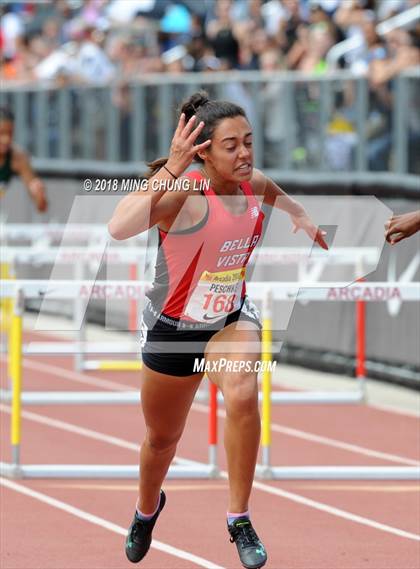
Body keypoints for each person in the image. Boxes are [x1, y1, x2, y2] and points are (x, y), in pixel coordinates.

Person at [108, 91, 327, 569]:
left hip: (229, 322)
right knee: (161, 440)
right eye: (232, 146)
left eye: (249, 142)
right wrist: (172, 168)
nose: (245, 154)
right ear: (204, 152)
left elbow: (273, 190)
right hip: (174, 327)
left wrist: (301, 216)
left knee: (244, 392)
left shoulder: (251, 183)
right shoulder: (184, 193)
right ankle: (146, 510)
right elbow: (119, 227)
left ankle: (239, 518)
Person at [0, 107, 48, 211]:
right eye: (1, 133)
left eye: (10, 133)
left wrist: (40, 196)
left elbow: (41, 207)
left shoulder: (18, 158)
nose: (6, 139)